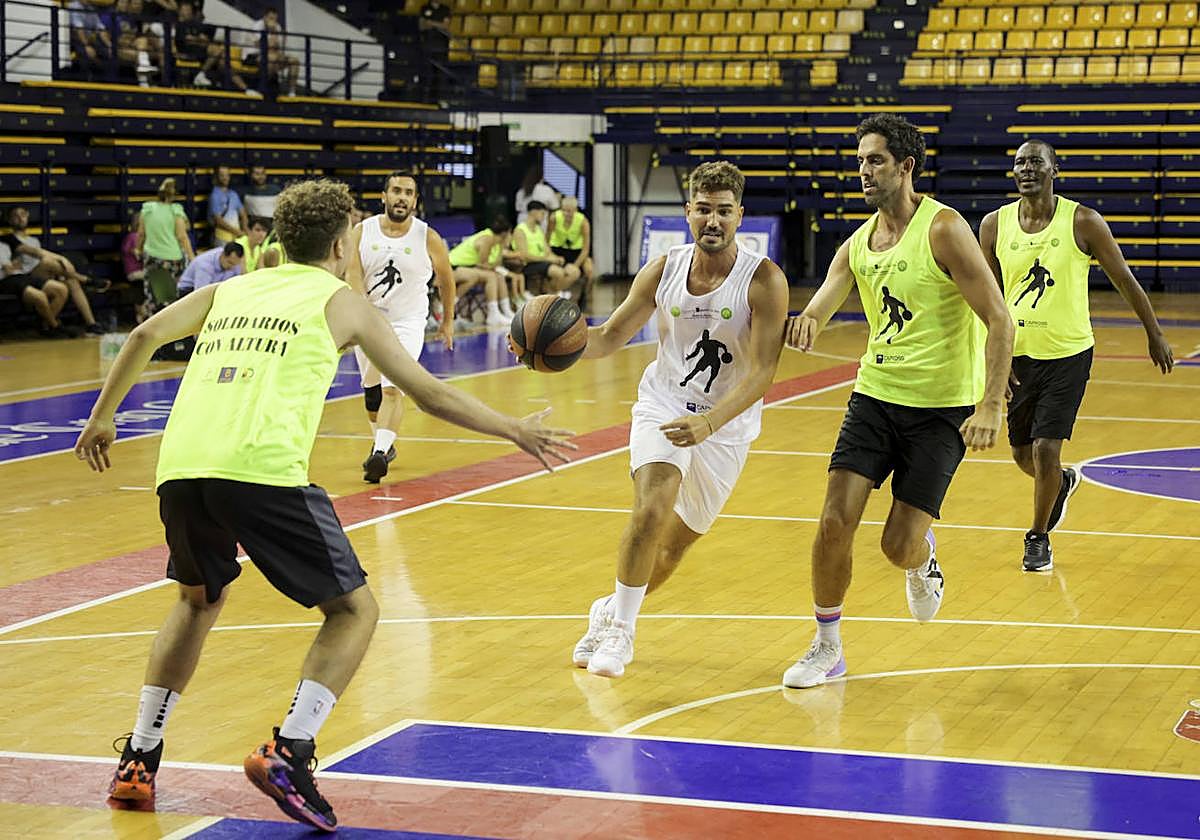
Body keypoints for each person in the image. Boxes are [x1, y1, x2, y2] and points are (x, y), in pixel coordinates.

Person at [76, 178, 575, 832]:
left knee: (196, 600)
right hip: (259, 468)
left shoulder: (231, 287)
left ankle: (139, 756)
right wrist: (512, 428)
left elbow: (142, 335)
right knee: (354, 611)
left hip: (183, 465)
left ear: (282, 238)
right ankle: (292, 748)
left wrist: (103, 418)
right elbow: (424, 392)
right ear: (343, 244)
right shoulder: (342, 302)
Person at [780, 114, 1014, 690]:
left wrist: (990, 405)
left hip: (941, 410)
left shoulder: (943, 230)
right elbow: (823, 301)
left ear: (906, 167)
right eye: (860, 160)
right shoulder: (860, 242)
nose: (863, 170)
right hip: (875, 396)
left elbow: (1000, 319)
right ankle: (827, 646)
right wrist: (806, 321)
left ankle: (922, 555)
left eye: (875, 160)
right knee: (834, 520)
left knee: (896, 545)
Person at [567, 160, 788, 679]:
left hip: (726, 426)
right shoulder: (663, 270)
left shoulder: (763, 280)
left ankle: (609, 609)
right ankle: (622, 632)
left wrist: (710, 424)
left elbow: (762, 375)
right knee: (651, 508)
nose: (713, 221)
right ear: (688, 211)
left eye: (724, 212)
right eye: (704, 210)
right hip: (664, 406)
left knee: (667, 551)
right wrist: (548, 349)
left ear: (740, 216)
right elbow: (605, 338)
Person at [978, 139, 1174, 572]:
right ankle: (1063, 482)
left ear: (1055, 170)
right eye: (1019, 163)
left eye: (1036, 162)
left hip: (1068, 354)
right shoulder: (993, 225)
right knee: (1022, 455)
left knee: (1047, 448)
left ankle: (1038, 536)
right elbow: (989, 300)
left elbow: (1123, 278)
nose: (1027, 168)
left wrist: (1154, 332)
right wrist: (995, 356)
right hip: (1017, 356)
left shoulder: (1083, 221)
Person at [345, 170, 457, 483]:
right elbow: (352, 274)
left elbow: (446, 280)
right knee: (371, 394)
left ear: (415, 201)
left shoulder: (427, 236)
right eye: (396, 190)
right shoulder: (362, 231)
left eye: (408, 193)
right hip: (370, 320)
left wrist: (447, 321)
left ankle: (379, 454)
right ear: (384, 196)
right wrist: (360, 311)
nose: (402, 197)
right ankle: (384, 443)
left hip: (407, 322)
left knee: (393, 387)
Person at [3, 206, 106, 334]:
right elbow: (36, 253)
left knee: (71, 281)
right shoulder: (8, 238)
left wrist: (59, 272)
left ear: (28, 215)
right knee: (48, 262)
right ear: (10, 220)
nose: (20, 218)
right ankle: (86, 279)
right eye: (16, 216)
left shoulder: (34, 240)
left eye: (23, 214)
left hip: (41, 273)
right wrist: (62, 258)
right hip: (24, 276)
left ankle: (90, 323)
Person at [135, 178, 196, 310]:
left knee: (153, 294)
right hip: (172, 258)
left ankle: (152, 321)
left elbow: (140, 234)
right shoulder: (176, 211)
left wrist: (137, 249)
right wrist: (192, 257)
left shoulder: (147, 209)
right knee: (171, 296)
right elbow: (182, 236)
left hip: (152, 257)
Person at [448, 216, 518, 327]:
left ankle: (506, 310)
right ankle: (493, 314)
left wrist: (502, 248)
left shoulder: (496, 243)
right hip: (451, 267)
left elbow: (495, 265)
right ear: (506, 233)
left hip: (465, 267)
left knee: (498, 276)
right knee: (491, 276)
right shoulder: (488, 239)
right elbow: (482, 264)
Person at [0, 240, 73, 337]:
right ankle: (55, 326)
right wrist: (12, 267)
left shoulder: (5, 243)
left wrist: (13, 266)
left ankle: (45, 325)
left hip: (21, 275)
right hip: (4, 281)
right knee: (40, 296)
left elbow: (15, 264)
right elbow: (8, 269)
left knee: (61, 289)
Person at [514, 200, 579, 297]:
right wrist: (546, 258)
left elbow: (547, 250)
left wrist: (556, 258)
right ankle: (554, 295)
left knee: (574, 272)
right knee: (558, 273)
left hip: (543, 261)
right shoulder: (520, 230)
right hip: (529, 264)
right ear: (533, 212)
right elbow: (524, 256)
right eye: (542, 213)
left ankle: (553, 293)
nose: (544, 217)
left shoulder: (538, 230)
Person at [547, 196, 594, 307]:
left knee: (589, 270)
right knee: (557, 272)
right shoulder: (554, 218)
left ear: (575, 210)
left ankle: (583, 297)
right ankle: (555, 294)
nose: (566, 214)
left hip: (577, 252)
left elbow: (586, 248)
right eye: (563, 210)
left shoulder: (583, 222)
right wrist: (551, 256)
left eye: (569, 211)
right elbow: (547, 239)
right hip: (558, 250)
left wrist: (575, 265)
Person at [177, 241, 244, 294]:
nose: (232, 267)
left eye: (235, 265)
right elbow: (200, 293)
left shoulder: (234, 262)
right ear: (223, 255)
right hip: (189, 290)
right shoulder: (205, 265)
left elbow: (237, 283)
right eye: (230, 263)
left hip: (214, 288)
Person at [208, 165, 244, 245]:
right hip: (221, 237)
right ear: (216, 177)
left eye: (227, 175)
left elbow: (243, 213)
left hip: (236, 236)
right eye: (222, 175)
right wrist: (237, 232)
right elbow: (218, 220)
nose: (225, 178)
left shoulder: (233, 194)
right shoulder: (214, 195)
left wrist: (245, 229)